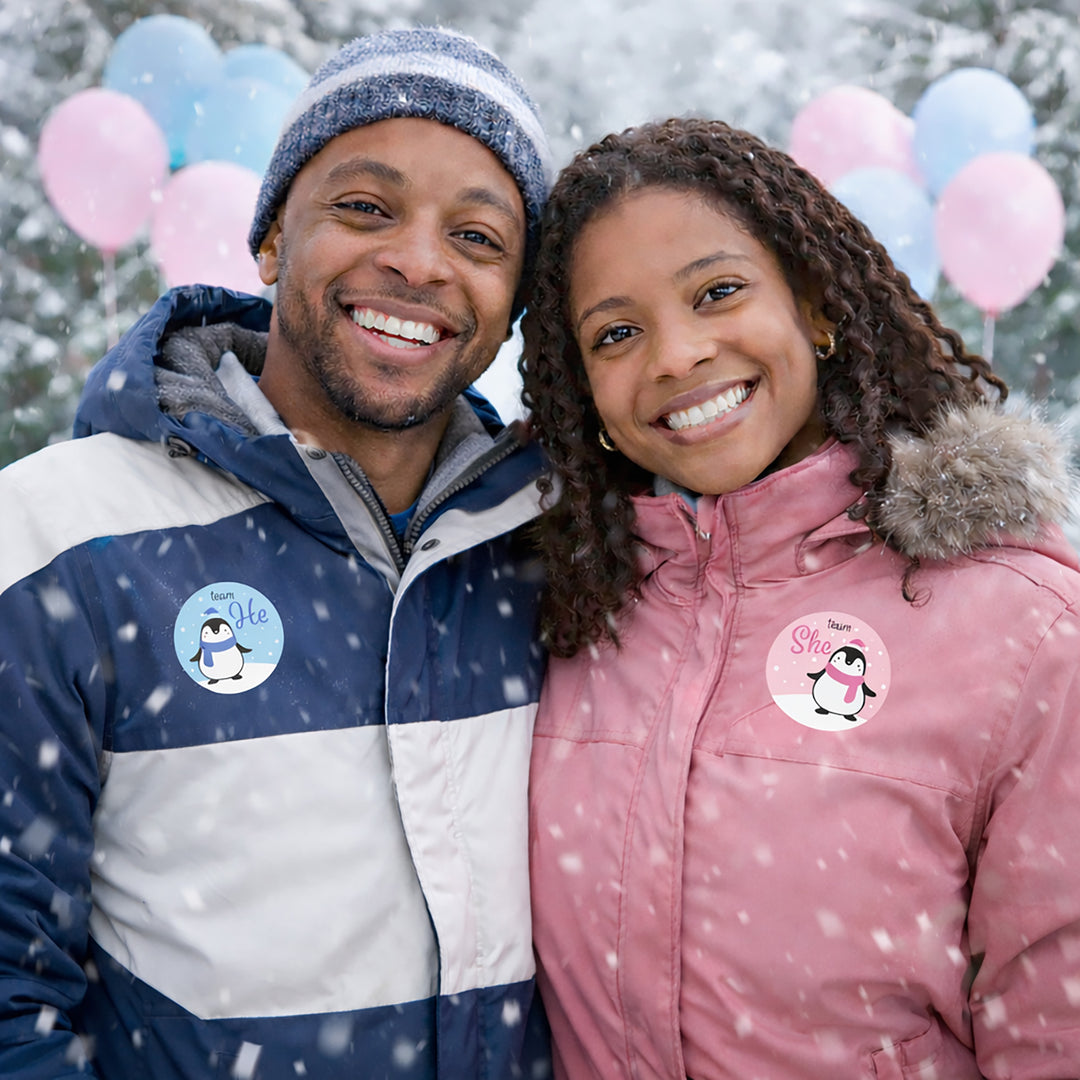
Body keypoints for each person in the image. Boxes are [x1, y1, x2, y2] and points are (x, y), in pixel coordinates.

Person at [0, 27, 554, 1079]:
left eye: (479, 237)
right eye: (364, 207)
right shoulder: (55, 538)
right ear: (268, 241)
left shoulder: (560, 547)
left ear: (515, 302)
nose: (419, 261)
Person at [520, 116, 1080, 1078]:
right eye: (617, 332)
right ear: (583, 392)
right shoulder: (561, 604)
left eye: (718, 292)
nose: (676, 355)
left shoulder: (1021, 626)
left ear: (815, 307)